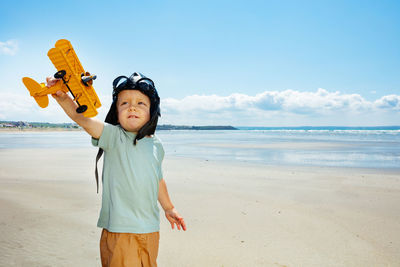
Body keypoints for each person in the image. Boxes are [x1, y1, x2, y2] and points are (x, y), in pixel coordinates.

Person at [48, 72, 186, 267]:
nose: (132, 107)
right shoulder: (113, 136)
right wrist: (63, 97)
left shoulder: (156, 144)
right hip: (120, 230)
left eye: (141, 103)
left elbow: (157, 178)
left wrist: (169, 208)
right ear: (116, 112)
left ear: (152, 111)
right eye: (124, 103)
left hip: (149, 229)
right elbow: (83, 120)